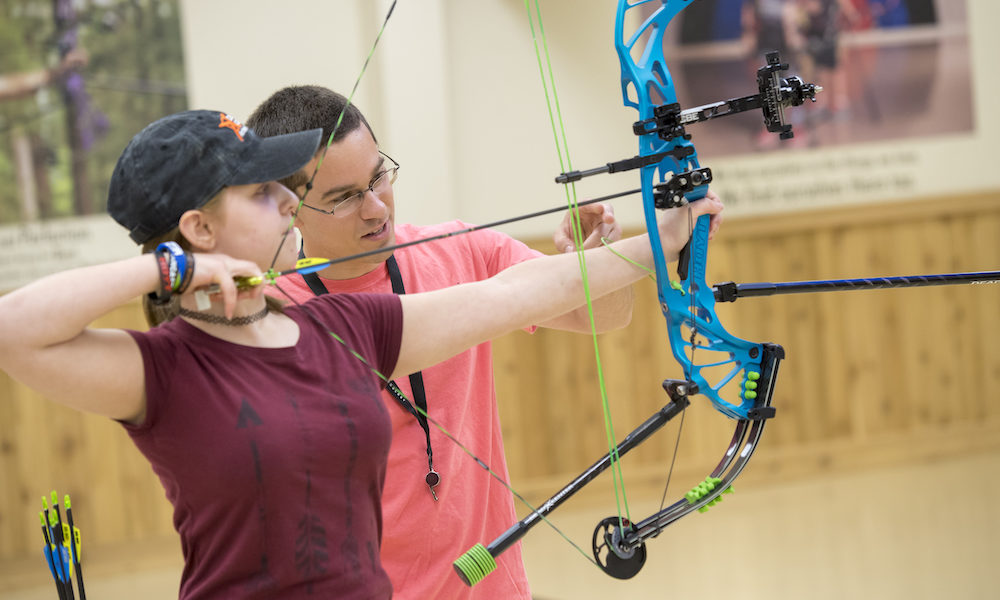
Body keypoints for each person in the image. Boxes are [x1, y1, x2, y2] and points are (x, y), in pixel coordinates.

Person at [0, 109, 722, 599]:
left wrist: (666, 231)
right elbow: (14, 331)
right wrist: (167, 271)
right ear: (198, 227)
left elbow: (518, 295)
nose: (288, 202)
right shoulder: (162, 370)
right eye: (260, 193)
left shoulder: (345, 325)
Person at [246, 85, 635, 599]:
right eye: (343, 198)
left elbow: (603, 315)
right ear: (287, 211)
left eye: (378, 176)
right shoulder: (265, 318)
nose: (375, 208)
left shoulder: (461, 249)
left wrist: (595, 260)